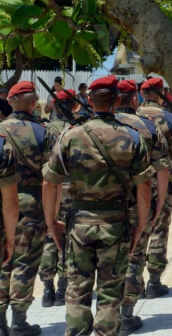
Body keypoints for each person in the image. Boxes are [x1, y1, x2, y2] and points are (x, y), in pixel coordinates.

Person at [43, 76, 152, 336]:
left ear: (89, 101)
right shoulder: (133, 138)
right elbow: (144, 186)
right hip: (116, 224)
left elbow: (50, 183)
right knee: (111, 292)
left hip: (79, 223)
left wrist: (51, 222)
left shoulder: (70, 135)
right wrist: (141, 224)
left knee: (77, 291)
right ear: (116, 102)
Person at [0, 81, 57, 335]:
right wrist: (51, 216)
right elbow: (50, 179)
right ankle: (19, 322)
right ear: (35, 103)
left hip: (3, 203)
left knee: (3, 261)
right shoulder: (44, 133)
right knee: (25, 263)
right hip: (32, 205)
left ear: (10, 101)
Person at [116, 79, 171, 334]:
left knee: (108, 258)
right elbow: (163, 167)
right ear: (135, 98)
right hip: (141, 200)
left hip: (104, 204)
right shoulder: (150, 126)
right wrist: (160, 201)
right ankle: (126, 314)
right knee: (135, 254)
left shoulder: (93, 127)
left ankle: (107, 312)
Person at [137, 77, 172, 299]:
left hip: (134, 185)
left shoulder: (129, 117)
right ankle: (154, 281)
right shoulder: (171, 119)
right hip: (162, 182)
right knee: (158, 230)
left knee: (136, 230)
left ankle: (133, 282)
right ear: (162, 92)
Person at [39, 89, 79, 309]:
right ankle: (64, 287)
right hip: (71, 190)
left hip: (49, 190)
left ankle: (47, 290)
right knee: (69, 239)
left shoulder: (45, 131)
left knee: (48, 237)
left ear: (53, 107)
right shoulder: (78, 130)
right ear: (73, 107)